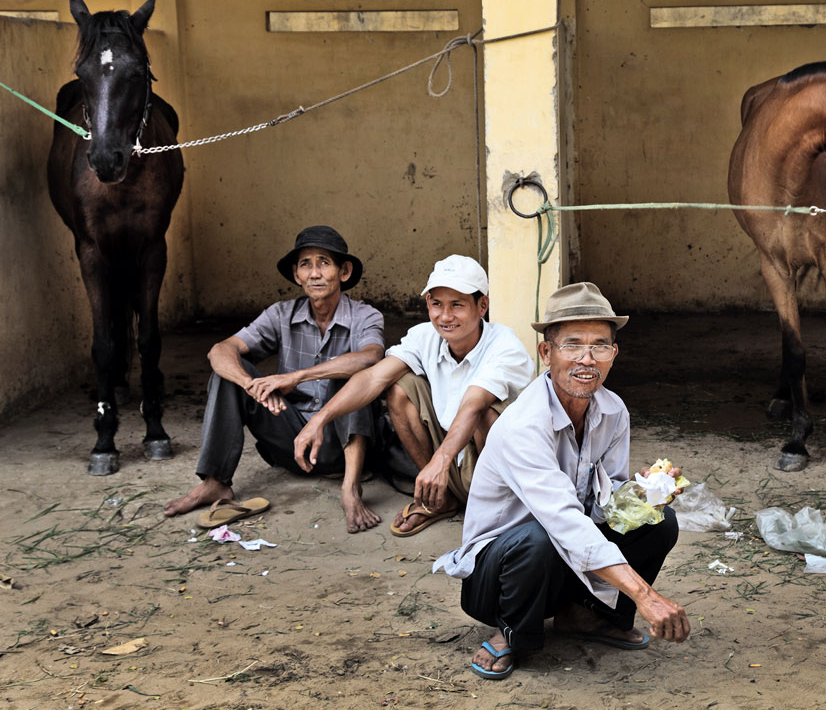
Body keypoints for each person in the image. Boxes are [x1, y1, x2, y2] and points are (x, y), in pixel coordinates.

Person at [433, 282, 690, 679]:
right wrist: (645, 596)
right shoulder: (524, 424)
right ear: (546, 352)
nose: (587, 359)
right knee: (538, 534)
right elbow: (564, 521)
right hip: (500, 579)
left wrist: (645, 494)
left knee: (658, 523)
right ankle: (511, 633)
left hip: (565, 563)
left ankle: (583, 616)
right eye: (572, 344)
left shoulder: (613, 411)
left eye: (600, 346)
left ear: (613, 354)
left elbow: (608, 505)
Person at [163, 226, 385, 533]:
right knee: (228, 373)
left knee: (351, 374)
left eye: (324, 263)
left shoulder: (365, 316)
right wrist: (251, 386)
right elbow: (220, 350)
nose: (315, 273)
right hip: (290, 439)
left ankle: (350, 489)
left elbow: (372, 356)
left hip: (339, 444)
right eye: (306, 264)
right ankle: (215, 483)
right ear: (296, 275)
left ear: (344, 272)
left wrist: (298, 376)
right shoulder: (281, 314)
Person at [293, 255, 534, 537]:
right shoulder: (424, 337)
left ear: (482, 306)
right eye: (436, 304)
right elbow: (374, 377)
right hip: (446, 463)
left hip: (498, 473)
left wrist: (440, 462)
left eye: (457, 305)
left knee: (486, 411)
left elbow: (473, 405)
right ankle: (438, 499)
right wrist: (319, 420)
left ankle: (495, 509)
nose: (445, 316)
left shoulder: (505, 345)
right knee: (398, 386)